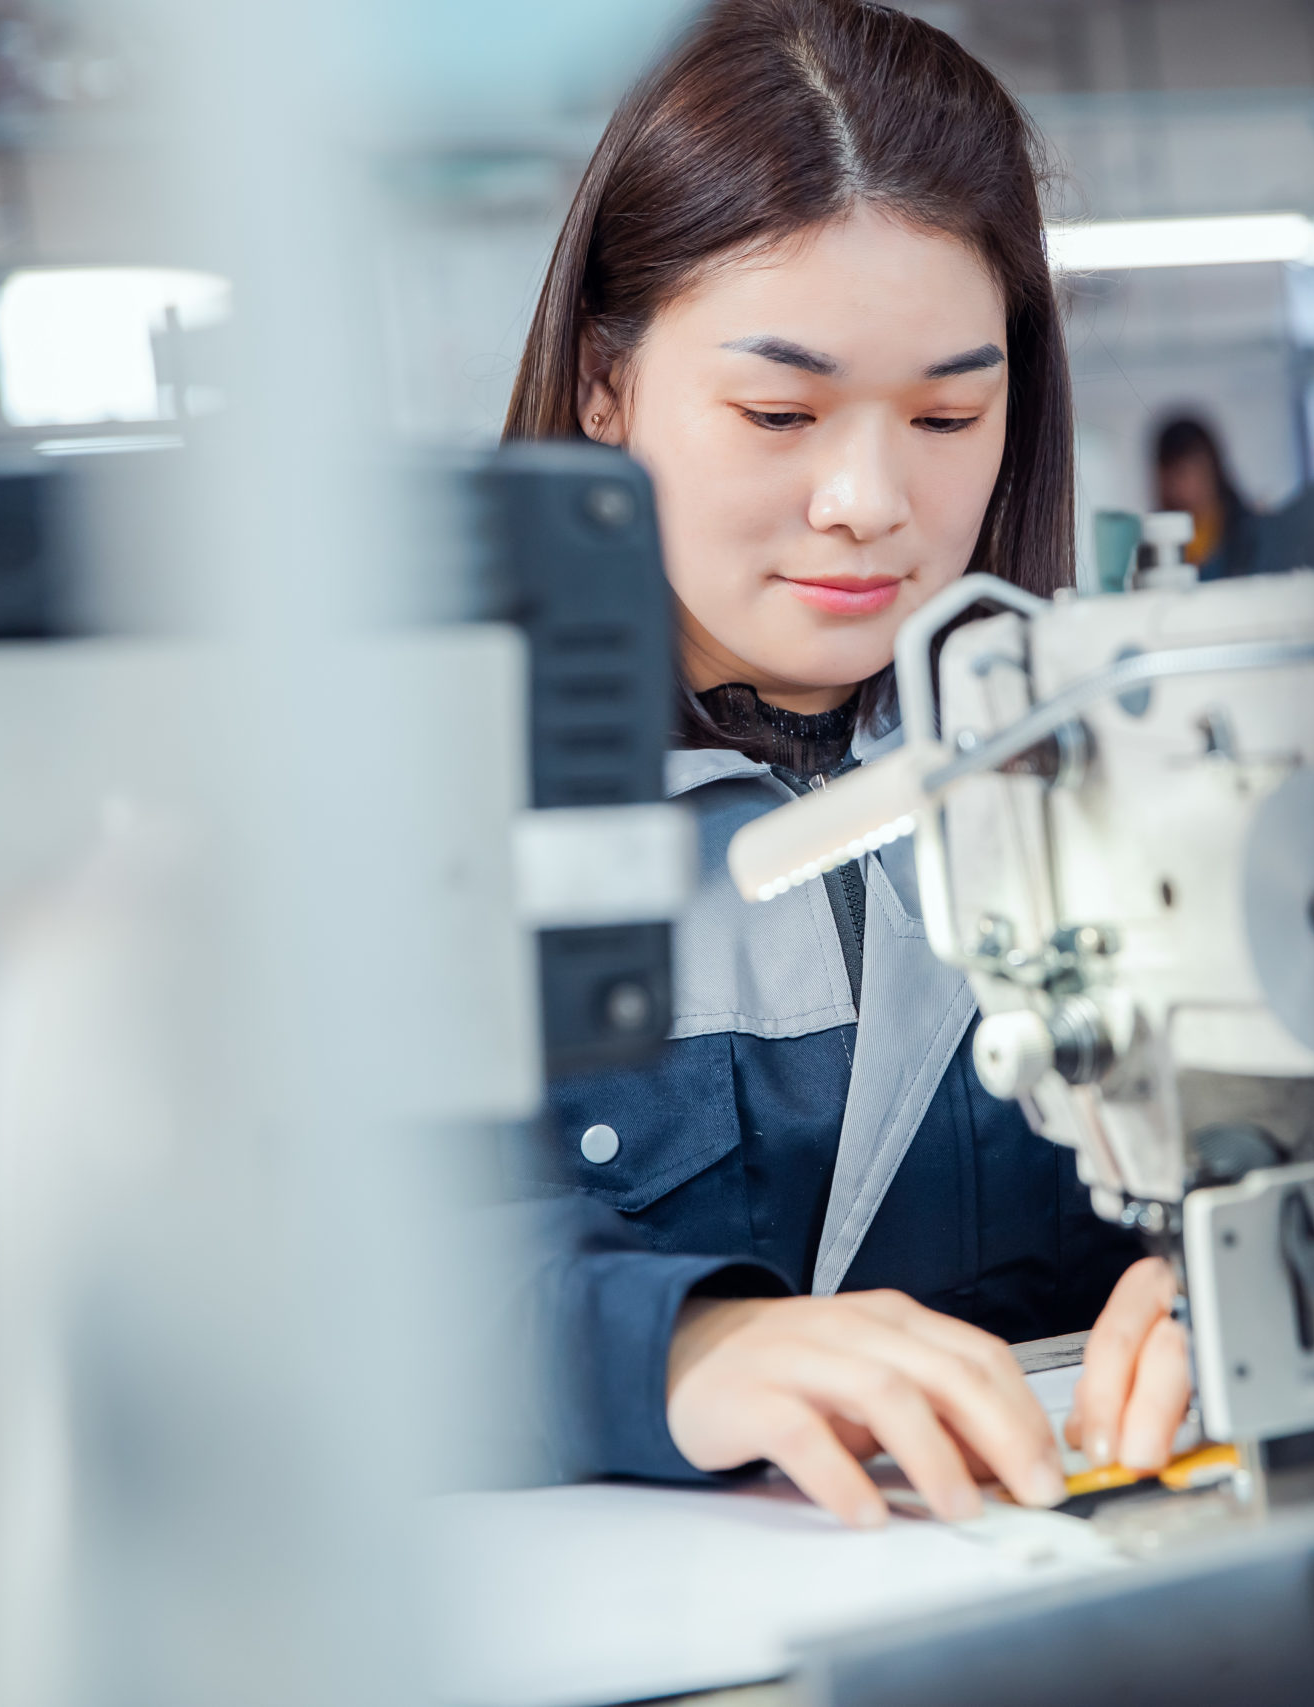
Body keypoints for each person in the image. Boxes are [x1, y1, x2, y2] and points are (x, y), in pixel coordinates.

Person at [496, 0, 1193, 1530]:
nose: (870, 498)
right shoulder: (430, 798)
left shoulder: (1120, 760)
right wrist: (682, 1340)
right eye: (779, 411)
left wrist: (1219, 1287)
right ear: (606, 389)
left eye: (949, 411)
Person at [1151, 413, 1261, 580]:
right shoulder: (1151, 541)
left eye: (1185, 473)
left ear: (1212, 470)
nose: (1179, 489)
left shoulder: (1251, 533)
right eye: (1169, 477)